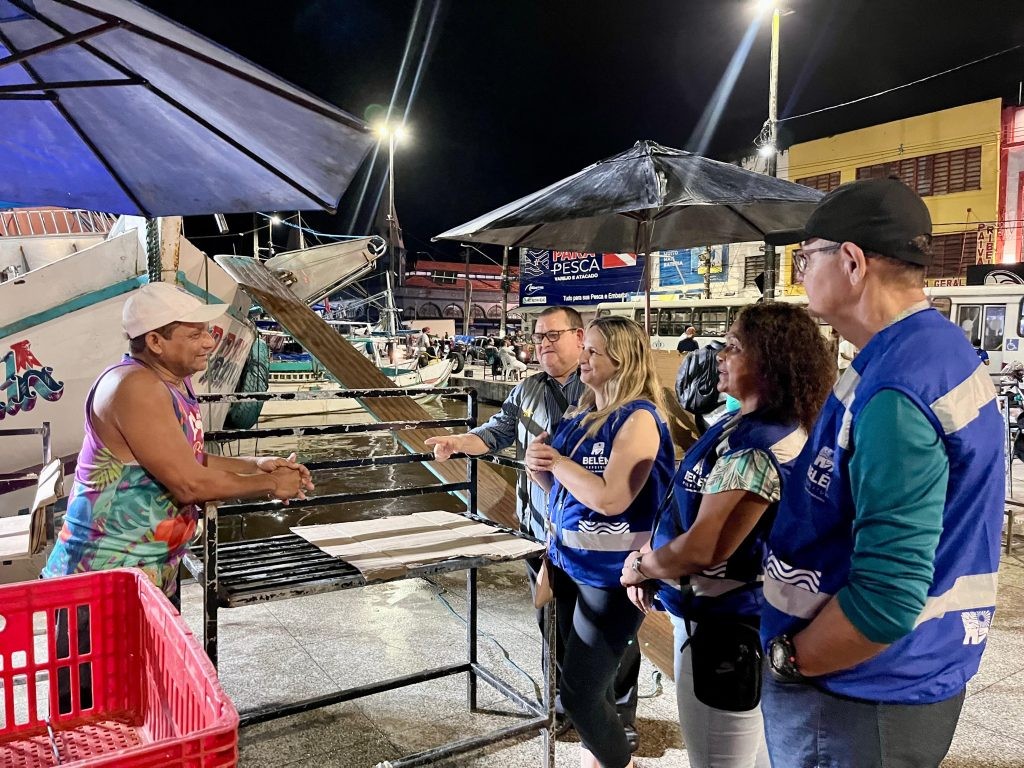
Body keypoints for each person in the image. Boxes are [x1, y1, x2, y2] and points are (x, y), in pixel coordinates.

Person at [759, 178, 1003, 767]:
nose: (799, 272)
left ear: (850, 261)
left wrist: (790, 659)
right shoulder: (928, 353)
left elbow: (886, 601)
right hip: (896, 680)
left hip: (856, 698)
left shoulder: (897, 387)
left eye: (805, 256)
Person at [620, 303, 835, 768]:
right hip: (743, 621)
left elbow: (704, 547)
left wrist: (640, 566)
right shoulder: (760, 429)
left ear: (770, 362)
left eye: (734, 346)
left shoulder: (754, 448)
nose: (719, 354)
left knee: (719, 757)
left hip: (723, 628)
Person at [425, 307, 645, 747]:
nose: (542, 343)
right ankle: (567, 705)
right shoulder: (528, 389)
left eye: (552, 335)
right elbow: (495, 432)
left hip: (600, 541)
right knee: (554, 621)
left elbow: (620, 482)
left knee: (610, 632)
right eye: (537, 335)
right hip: (540, 531)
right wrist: (456, 442)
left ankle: (618, 713)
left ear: (580, 337)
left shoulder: (603, 393)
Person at [42, 282, 314, 607]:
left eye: (207, 331)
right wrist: (271, 483)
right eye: (195, 334)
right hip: (101, 580)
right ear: (155, 342)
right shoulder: (133, 387)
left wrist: (257, 463)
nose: (210, 342)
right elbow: (189, 483)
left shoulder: (174, 381)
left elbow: (188, 458)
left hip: (150, 572)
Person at [525, 316, 675, 768]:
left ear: (622, 359)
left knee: (578, 694)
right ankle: (600, 753)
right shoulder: (580, 416)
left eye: (592, 351)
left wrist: (556, 461)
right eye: (585, 349)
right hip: (569, 566)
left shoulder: (640, 418)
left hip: (613, 579)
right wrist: (540, 471)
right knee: (584, 681)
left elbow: (612, 498)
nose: (583, 358)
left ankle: (618, 761)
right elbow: (569, 496)